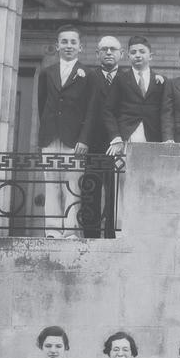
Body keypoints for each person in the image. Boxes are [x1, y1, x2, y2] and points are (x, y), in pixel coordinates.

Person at [38, 25, 97, 238]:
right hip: (50, 137)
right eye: (64, 42)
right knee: (51, 183)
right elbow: (42, 105)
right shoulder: (47, 73)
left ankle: (71, 231)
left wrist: (84, 139)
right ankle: (53, 231)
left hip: (75, 140)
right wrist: (47, 132)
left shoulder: (88, 74)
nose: (68, 46)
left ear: (80, 47)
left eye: (73, 42)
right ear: (57, 46)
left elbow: (91, 110)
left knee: (72, 185)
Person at [79, 35, 122, 239]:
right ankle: (90, 236)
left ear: (121, 54)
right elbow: (81, 110)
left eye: (113, 49)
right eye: (104, 49)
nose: (109, 52)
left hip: (118, 143)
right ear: (97, 54)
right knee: (91, 189)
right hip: (94, 143)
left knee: (116, 191)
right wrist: (83, 139)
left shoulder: (127, 78)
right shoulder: (89, 77)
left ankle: (112, 235)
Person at [106, 36, 165, 148]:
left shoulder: (160, 81)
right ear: (128, 56)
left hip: (153, 137)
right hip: (127, 136)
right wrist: (115, 137)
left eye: (142, 52)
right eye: (133, 52)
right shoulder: (120, 79)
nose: (137, 55)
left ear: (150, 56)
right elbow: (108, 110)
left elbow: (165, 112)